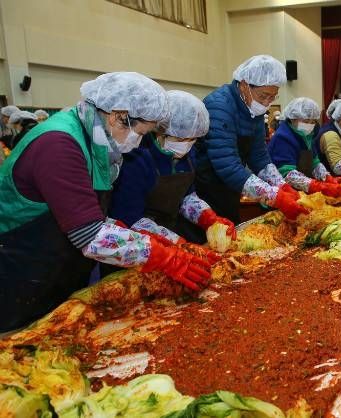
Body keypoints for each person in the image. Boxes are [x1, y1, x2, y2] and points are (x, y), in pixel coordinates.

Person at [0, 72, 217, 333]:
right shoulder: (58, 144)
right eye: (140, 132)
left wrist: (147, 237)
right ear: (117, 116)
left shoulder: (95, 142)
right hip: (21, 268)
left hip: (58, 265)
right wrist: (160, 255)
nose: (138, 142)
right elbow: (89, 234)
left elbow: (92, 212)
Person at [109, 90, 236, 252]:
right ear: (160, 131)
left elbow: (186, 196)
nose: (187, 145)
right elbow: (130, 218)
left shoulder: (189, 155)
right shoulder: (136, 157)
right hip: (134, 244)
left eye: (193, 139)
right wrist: (176, 242)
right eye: (181, 139)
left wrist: (208, 218)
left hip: (170, 227)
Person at [195, 55, 308, 223]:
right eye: (263, 96)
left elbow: (259, 156)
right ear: (244, 85)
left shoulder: (253, 109)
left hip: (231, 186)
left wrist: (281, 185)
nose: (267, 103)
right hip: (206, 189)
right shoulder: (220, 106)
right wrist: (275, 196)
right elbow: (227, 164)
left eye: (272, 97)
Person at [267, 97, 341, 198]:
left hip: (303, 191)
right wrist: (317, 186)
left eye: (313, 122)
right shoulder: (283, 137)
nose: (310, 125)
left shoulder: (309, 134)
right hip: (283, 194)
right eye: (306, 121)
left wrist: (326, 177)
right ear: (293, 118)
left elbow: (314, 161)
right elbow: (287, 174)